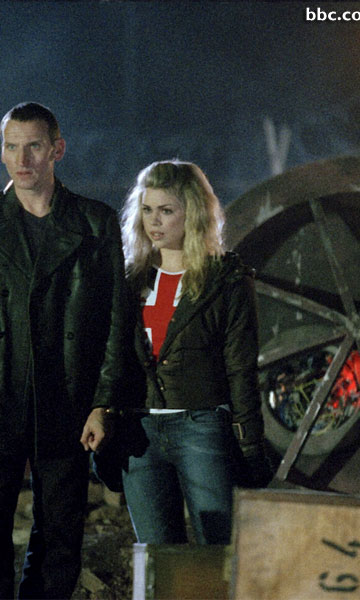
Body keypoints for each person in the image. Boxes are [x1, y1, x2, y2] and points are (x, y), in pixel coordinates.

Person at [0, 102, 130, 599]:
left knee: (60, 541)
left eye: (34, 146)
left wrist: (103, 403)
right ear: (1, 152)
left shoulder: (95, 223)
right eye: (12, 147)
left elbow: (115, 322)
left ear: (57, 150)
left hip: (66, 403)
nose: (22, 159)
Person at [119, 159, 270, 546]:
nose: (154, 222)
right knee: (155, 557)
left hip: (201, 425)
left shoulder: (226, 281)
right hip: (139, 431)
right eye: (147, 210)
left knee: (216, 550)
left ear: (194, 213)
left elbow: (240, 368)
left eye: (166, 211)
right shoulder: (129, 281)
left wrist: (250, 444)